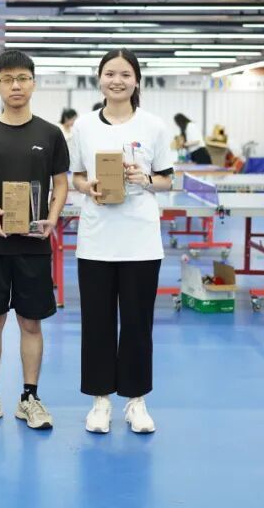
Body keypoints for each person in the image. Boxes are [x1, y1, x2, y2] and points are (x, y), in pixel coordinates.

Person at [0, 50, 69, 431]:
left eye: (22, 78)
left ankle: (29, 398)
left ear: (33, 83)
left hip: (33, 243)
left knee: (31, 323)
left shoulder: (50, 134)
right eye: (7, 79)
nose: (16, 85)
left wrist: (52, 217)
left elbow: (61, 183)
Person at [70, 48, 174, 434]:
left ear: (136, 80)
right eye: (110, 73)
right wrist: (88, 187)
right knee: (96, 323)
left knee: (136, 323)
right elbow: (76, 176)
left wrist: (144, 179)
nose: (117, 80)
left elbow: (167, 179)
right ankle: (100, 402)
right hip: (96, 240)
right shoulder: (83, 127)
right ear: (99, 79)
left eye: (125, 74)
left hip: (140, 241)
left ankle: (136, 401)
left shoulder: (153, 126)